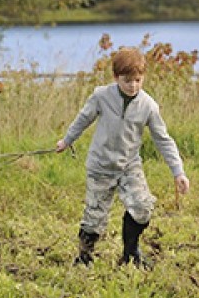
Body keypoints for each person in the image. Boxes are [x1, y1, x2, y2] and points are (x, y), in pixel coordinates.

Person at [55, 47, 190, 269]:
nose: (133, 86)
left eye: (138, 80)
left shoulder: (148, 106)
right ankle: (84, 257)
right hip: (100, 165)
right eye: (127, 81)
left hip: (129, 166)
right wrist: (67, 140)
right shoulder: (101, 96)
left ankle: (130, 252)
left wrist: (178, 172)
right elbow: (83, 118)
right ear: (116, 77)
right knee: (94, 217)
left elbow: (163, 140)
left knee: (143, 208)